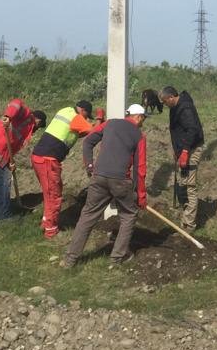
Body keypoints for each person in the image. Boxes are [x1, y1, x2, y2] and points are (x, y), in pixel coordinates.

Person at [60, 104, 148, 268]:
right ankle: (117, 258)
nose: (143, 122)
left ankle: (70, 260)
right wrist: (141, 196)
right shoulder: (139, 135)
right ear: (138, 117)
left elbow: (88, 141)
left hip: (99, 177)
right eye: (143, 118)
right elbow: (140, 168)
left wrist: (90, 166)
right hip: (121, 180)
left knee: (88, 215)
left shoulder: (110, 123)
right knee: (129, 215)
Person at [0, 100, 46, 221]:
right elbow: (16, 103)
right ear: (38, 121)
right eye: (39, 127)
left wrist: (9, 162)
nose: (37, 130)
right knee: (3, 180)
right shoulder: (27, 116)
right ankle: (2, 215)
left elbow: (10, 147)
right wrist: (8, 116)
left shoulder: (27, 129)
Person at [30, 100, 94, 238]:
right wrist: (100, 119)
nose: (86, 119)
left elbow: (77, 131)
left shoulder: (65, 111)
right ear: (83, 111)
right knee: (54, 195)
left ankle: (46, 222)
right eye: (87, 116)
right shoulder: (77, 117)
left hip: (39, 157)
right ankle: (51, 230)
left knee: (49, 193)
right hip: (48, 159)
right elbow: (92, 131)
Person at [159, 86, 205, 231]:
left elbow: (192, 130)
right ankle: (185, 220)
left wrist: (184, 150)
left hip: (191, 149)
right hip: (184, 149)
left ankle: (189, 225)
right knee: (182, 184)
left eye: (165, 102)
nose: (164, 105)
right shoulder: (175, 107)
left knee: (189, 186)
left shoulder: (185, 108)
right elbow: (178, 131)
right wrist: (177, 149)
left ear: (171, 97)